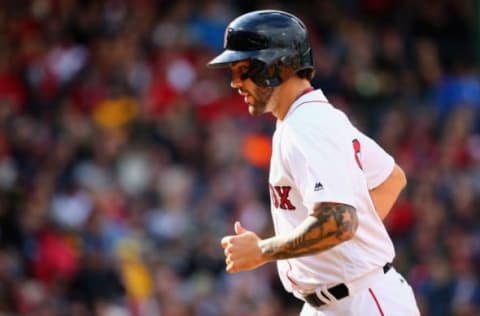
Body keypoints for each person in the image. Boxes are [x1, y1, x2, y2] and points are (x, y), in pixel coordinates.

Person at [208, 9, 420, 316]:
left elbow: (338, 221)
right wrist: (351, 242)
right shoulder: (308, 117)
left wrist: (262, 251)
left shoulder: (308, 124)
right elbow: (391, 178)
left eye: (243, 69)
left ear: (277, 66)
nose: (235, 82)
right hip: (331, 302)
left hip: (361, 301)